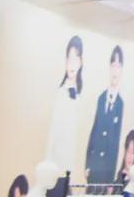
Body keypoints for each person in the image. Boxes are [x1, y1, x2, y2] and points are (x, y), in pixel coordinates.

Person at [86, 46, 125, 194]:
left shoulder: (120, 104)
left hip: (106, 171)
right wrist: (87, 164)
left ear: (122, 70)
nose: (115, 70)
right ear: (109, 68)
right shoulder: (101, 98)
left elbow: (115, 142)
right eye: (113, 65)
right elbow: (94, 131)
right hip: (94, 165)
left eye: (119, 66)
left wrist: (111, 179)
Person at [46, 36, 84, 177]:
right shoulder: (61, 93)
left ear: (80, 62)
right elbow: (53, 131)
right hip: (56, 165)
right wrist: (48, 162)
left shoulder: (79, 94)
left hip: (69, 166)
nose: (71, 65)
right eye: (69, 60)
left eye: (75, 60)